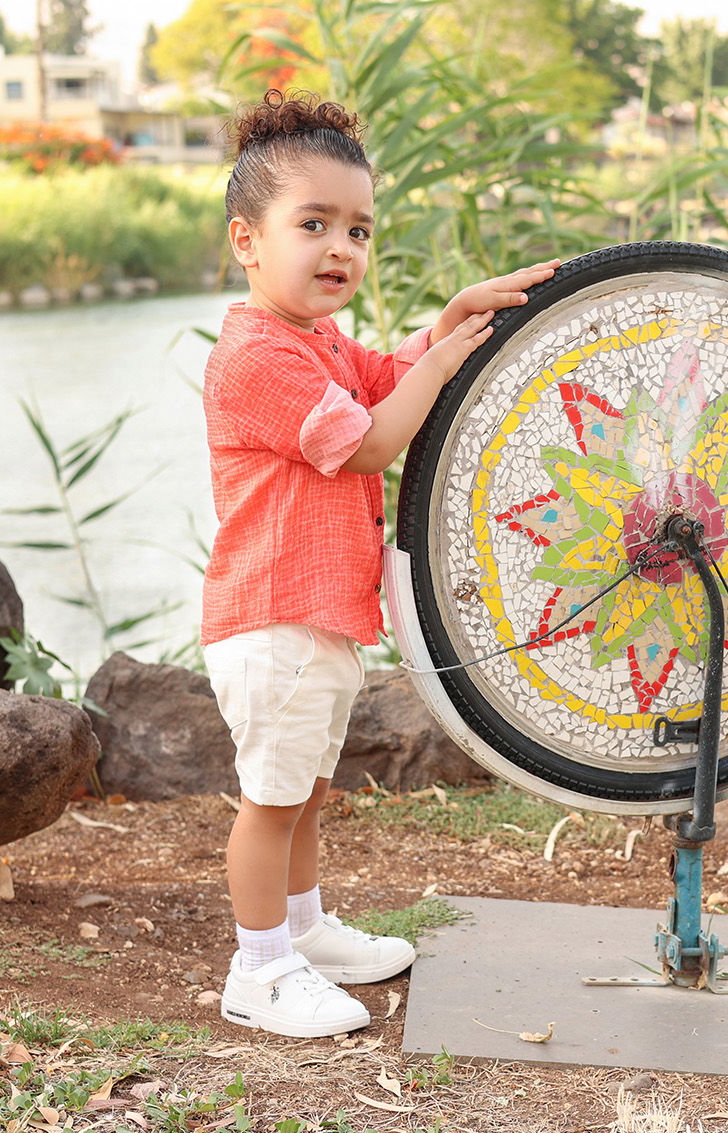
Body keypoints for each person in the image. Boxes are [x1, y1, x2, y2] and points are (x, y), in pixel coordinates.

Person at [200, 90, 558, 1038]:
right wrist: (440, 370)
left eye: (358, 229)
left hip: (317, 617)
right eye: (311, 223)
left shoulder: (313, 341)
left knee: (307, 793)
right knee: (270, 804)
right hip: (271, 618)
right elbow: (365, 442)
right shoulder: (254, 356)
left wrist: (445, 326)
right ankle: (259, 965)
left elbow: (383, 376)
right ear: (247, 239)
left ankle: (304, 933)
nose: (340, 249)